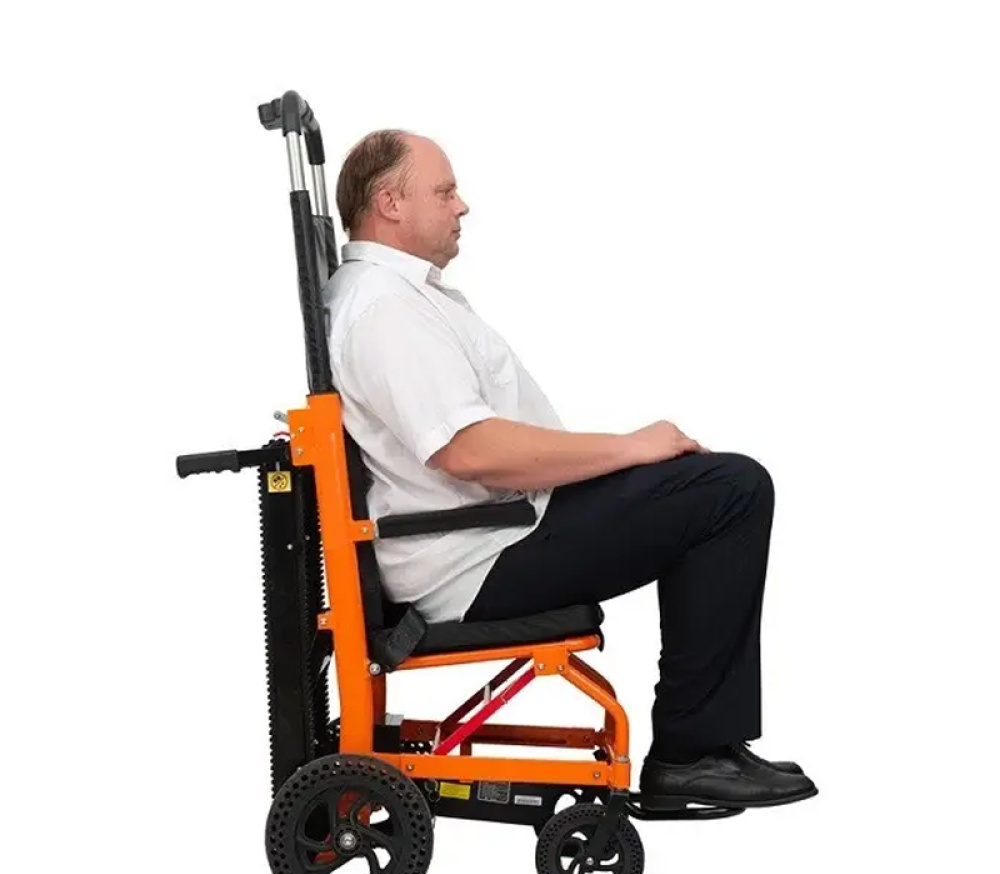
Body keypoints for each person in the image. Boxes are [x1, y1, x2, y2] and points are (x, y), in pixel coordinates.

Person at [323, 128, 817, 811]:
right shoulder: (384, 308)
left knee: (709, 484)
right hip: (478, 558)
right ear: (390, 203)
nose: (462, 205)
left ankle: (700, 744)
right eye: (444, 191)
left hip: (496, 527)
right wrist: (629, 448)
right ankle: (692, 754)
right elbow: (468, 450)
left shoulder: (390, 295)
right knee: (730, 492)